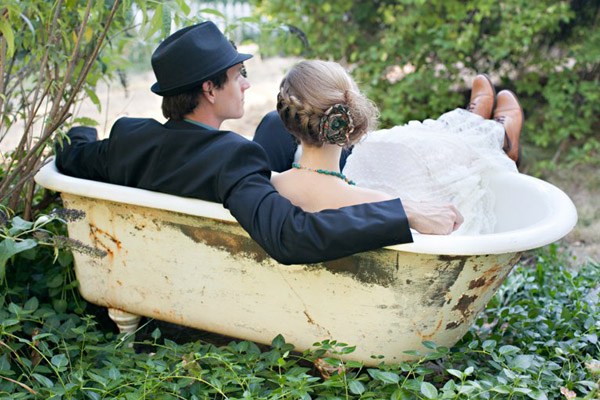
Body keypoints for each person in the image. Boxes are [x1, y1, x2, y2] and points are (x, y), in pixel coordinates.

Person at [54, 22, 462, 265]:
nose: (247, 82)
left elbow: (73, 153)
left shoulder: (128, 136)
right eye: (239, 74)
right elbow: (292, 235)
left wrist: (82, 132)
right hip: (239, 205)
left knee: (273, 123)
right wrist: (400, 213)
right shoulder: (233, 159)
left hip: (203, 179)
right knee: (286, 128)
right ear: (210, 90)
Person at [261, 60, 522, 235]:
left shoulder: (266, 184)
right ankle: (491, 136)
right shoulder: (387, 207)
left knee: (389, 147)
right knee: (398, 148)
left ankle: (478, 127)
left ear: (288, 123)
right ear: (351, 119)